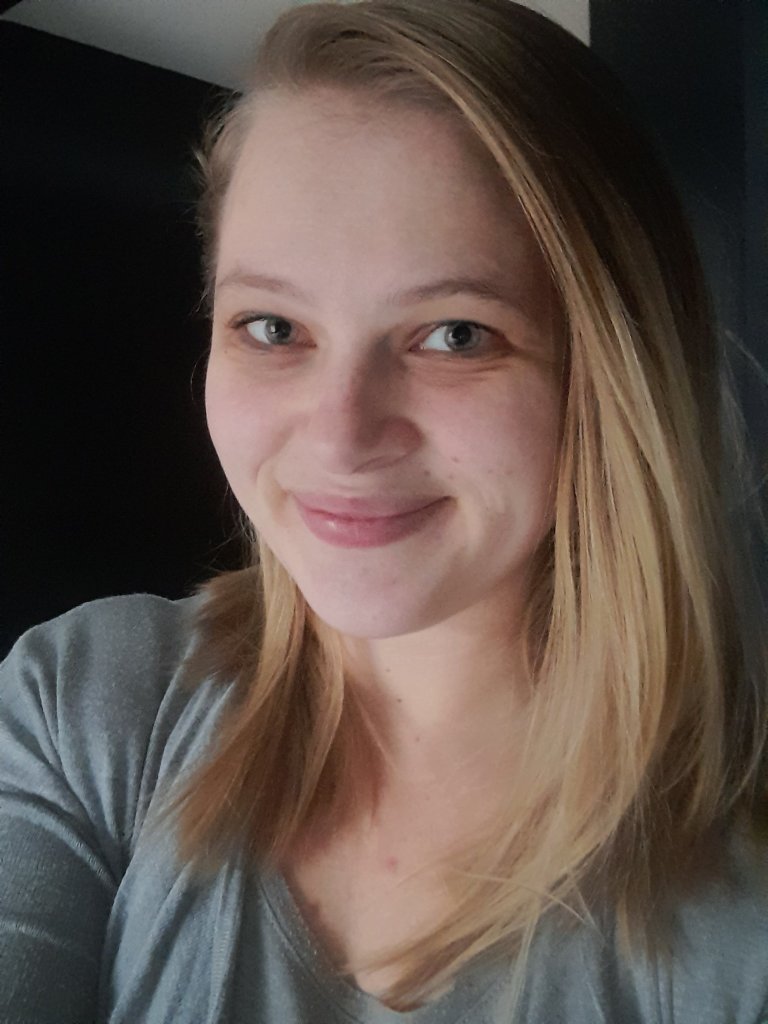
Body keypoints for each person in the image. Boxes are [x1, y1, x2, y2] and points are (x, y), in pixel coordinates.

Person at [1, 0, 766, 1021]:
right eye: (273, 326)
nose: (341, 436)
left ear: (614, 372)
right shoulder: (84, 705)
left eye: (456, 334)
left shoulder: (737, 902)